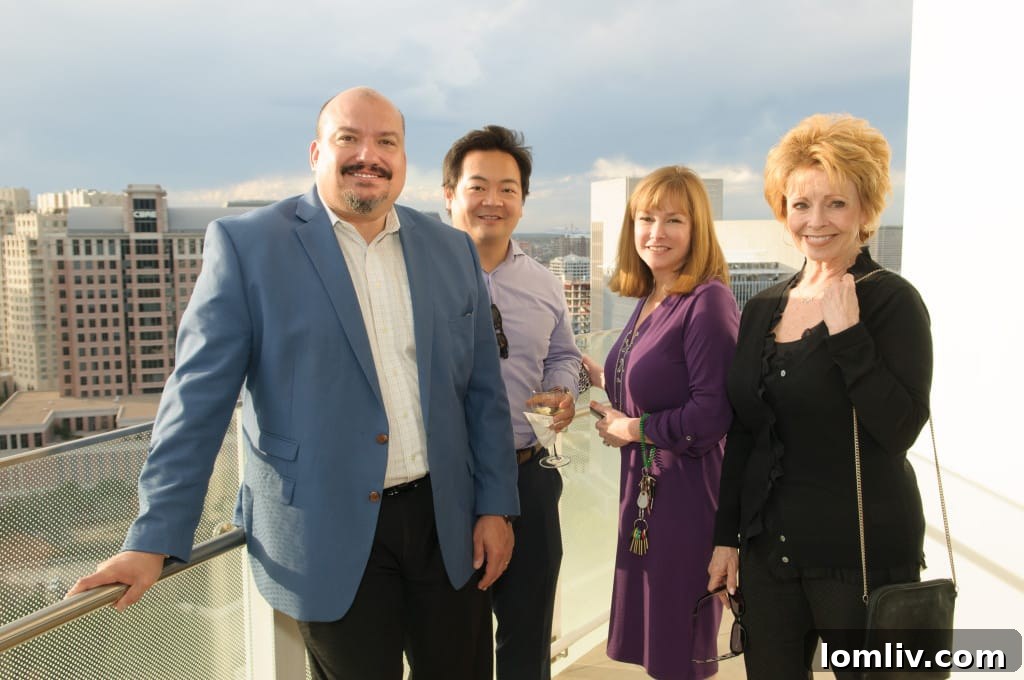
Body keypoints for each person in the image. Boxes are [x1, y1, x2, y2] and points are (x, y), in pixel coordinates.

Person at [67, 87, 519, 680]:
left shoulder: (450, 248)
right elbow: (196, 401)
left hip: (447, 525)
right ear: (315, 152)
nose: (369, 155)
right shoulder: (249, 246)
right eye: (348, 139)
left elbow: (483, 392)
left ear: (404, 157)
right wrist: (153, 537)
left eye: (387, 141)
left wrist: (495, 506)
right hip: (323, 535)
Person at [707, 114, 932, 679]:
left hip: (858, 557)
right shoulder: (763, 307)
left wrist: (851, 337)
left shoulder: (891, 302)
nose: (816, 221)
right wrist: (726, 539)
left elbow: (900, 428)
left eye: (836, 203)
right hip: (768, 554)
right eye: (800, 205)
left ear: (865, 210)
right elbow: (745, 433)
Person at [582, 166, 739, 679]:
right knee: (661, 650)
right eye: (645, 218)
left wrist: (631, 430)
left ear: (698, 230)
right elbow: (653, 384)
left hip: (687, 502)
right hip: (647, 495)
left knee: (680, 653)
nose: (656, 232)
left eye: (674, 219)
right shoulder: (652, 295)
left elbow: (711, 415)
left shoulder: (706, 299)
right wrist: (600, 381)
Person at [443, 124, 582, 680]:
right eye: (478, 186)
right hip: (448, 486)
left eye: (508, 189)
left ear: (523, 203)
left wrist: (564, 391)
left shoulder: (545, 283)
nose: (492, 201)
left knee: (528, 643)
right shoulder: (418, 280)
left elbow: (564, 355)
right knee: (456, 643)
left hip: (530, 477)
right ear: (449, 194)